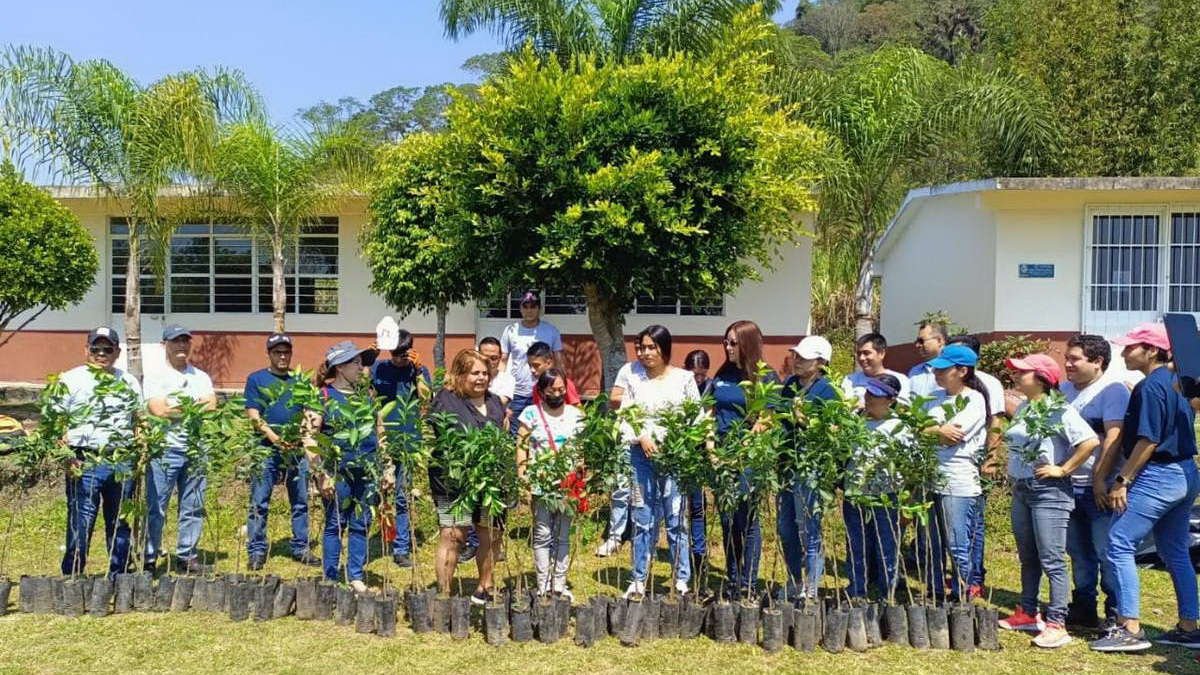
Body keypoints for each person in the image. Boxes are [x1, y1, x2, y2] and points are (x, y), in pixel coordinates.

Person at [1091, 323, 1200, 652]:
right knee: (1175, 549)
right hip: (1186, 472)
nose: (1124, 352)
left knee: (1119, 542)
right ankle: (1189, 627)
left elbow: (1149, 440)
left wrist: (1122, 480)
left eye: (1130, 347)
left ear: (1152, 350)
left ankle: (1130, 628)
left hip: (1158, 475)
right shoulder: (1180, 381)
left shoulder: (1150, 386)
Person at [997, 354, 1098, 649]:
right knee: (1028, 556)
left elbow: (1090, 441)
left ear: (1041, 378)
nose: (1016, 376)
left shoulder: (1059, 410)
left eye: (1023, 372)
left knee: (1052, 559)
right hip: (1022, 489)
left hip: (1049, 492)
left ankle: (1057, 623)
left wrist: (1063, 469)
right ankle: (1028, 612)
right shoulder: (1026, 407)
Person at [615, 325, 700, 599]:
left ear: (664, 348)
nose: (645, 353)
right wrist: (641, 437)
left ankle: (682, 578)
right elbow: (626, 416)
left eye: (652, 347)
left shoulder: (684, 379)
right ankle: (638, 578)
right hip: (640, 458)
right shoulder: (634, 379)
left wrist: (677, 443)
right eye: (641, 348)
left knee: (675, 518)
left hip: (673, 458)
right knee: (642, 517)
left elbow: (695, 418)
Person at [305, 341, 392, 593]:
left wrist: (387, 467)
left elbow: (380, 434)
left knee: (361, 523)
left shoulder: (368, 397)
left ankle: (355, 575)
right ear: (340, 367)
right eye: (356, 363)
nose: (361, 368)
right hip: (338, 472)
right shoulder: (322, 396)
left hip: (367, 471)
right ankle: (331, 577)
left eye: (361, 363)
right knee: (335, 523)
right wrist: (321, 474)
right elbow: (309, 438)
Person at [57, 326, 142, 576]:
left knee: (120, 520)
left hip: (121, 459)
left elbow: (138, 420)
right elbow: (57, 423)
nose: (102, 354)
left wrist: (140, 453)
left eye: (108, 349)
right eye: (96, 349)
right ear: (86, 350)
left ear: (118, 352)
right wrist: (66, 458)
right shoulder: (70, 380)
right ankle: (73, 573)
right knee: (81, 519)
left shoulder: (128, 381)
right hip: (83, 459)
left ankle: (119, 573)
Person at [427, 349, 508, 604]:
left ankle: (485, 586)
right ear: (460, 374)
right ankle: (444, 593)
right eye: (475, 373)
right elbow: (439, 438)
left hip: (490, 481)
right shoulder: (445, 400)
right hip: (454, 482)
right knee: (454, 536)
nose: (481, 378)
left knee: (490, 534)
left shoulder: (495, 402)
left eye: (485, 373)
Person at [1061, 334, 1129, 630]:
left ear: (1098, 361)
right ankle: (1084, 607)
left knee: (1106, 551)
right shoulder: (1064, 390)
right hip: (1068, 485)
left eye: (1074, 359)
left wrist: (1101, 479)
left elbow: (1115, 437)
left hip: (1099, 488)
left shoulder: (1112, 391)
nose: (1068, 364)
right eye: (1067, 358)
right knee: (1078, 551)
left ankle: (1116, 611)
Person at [711, 320, 779, 600]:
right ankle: (733, 578)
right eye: (725, 342)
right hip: (720, 456)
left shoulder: (765, 376)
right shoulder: (723, 373)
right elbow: (709, 411)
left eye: (733, 343)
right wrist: (711, 447)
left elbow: (767, 420)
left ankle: (749, 582)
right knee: (727, 519)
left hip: (748, 458)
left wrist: (740, 452)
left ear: (747, 343)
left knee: (747, 519)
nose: (727, 347)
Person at [143, 324, 216, 575]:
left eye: (185, 340)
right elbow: (158, 410)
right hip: (165, 450)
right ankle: (149, 557)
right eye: (176, 341)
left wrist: (175, 406)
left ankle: (187, 556)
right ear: (164, 345)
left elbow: (212, 406)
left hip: (196, 450)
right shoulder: (155, 376)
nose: (181, 345)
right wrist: (194, 405)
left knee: (193, 506)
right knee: (156, 506)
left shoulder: (201, 377)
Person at [918, 343, 988, 602]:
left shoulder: (974, 400)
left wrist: (930, 431)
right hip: (930, 476)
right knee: (932, 542)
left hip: (958, 481)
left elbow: (953, 436)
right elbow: (916, 430)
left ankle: (961, 595)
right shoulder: (933, 397)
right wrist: (936, 430)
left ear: (962, 371)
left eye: (943, 370)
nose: (937, 374)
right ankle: (935, 591)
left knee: (957, 543)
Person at [244, 333, 320, 571]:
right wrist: (274, 438)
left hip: (295, 450)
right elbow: (254, 415)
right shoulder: (257, 379)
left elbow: (309, 412)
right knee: (259, 501)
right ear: (269, 354)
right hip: (266, 449)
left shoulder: (300, 382)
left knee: (300, 501)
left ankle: (300, 547)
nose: (282, 356)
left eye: (286, 352)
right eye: (277, 352)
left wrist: (304, 432)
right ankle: (256, 550)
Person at [778, 335, 839, 600]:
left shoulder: (828, 392)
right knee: (786, 528)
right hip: (787, 466)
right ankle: (794, 580)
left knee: (808, 528)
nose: (798, 361)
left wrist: (804, 420)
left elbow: (832, 431)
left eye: (804, 358)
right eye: (797, 356)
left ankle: (812, 587)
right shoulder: (790, 385)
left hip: (811, 468)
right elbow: (779, 418)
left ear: (821, 363)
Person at [947, 334, 1007, 599]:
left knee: (973, 522)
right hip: (945, 466)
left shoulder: (987, 384)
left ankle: (974, 578)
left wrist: (991, 458)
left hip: (973, 462)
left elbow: (996, 421)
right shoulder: (942, 383)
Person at [516, 368, 584, 598]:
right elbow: (522, 447)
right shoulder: (530, 414)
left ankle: (559, 584)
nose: (557, 394)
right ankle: (543, 583)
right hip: (541, 484)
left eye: (561, 389)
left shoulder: (576, 415)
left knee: (563, 535)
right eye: (551, 390)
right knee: (543, 534)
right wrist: (523, 476)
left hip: (568, 484)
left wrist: (582, 477)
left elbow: (582, 450)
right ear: (541, 390)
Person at [370, 329, 431, 569]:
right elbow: (362, 389)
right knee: (376, 492)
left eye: (403, 353)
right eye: (394, 353)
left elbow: (426, 398)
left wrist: (419, 371)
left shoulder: (418, 370)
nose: (398, 358)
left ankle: (401, 547)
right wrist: (368, 359)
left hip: (408, 441)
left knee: (403, 495)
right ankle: (378, 537)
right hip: (381, 439)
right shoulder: (379, 368)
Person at [843, 374, 905, 601]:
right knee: (855, 543)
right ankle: (856, 589)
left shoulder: (899, 427)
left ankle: (887, 592)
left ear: (890, 400)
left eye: (876, 395)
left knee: (886, 544)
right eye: (868, 393)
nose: (869, 398)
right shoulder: (855, 421)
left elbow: (908, 465)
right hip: (855, 493)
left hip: (886, 495)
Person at [500, 290, 564, 434]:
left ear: (539, 308)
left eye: (533, 306)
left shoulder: (551, 331)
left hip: (544, 391)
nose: (529, 310)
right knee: (514, 434)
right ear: (520, 308)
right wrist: (500, 388)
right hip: (516, 393)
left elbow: (559, 362)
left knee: (543, 432)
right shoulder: (510, 330)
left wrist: (560, 386)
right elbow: (503, 361)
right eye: (525, 306)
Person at [682, 349, 712, 577]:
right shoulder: (680, 387)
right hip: (682, 452)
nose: (698, 378)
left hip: (702, 453)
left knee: (698, 505)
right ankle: (682, 553)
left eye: (702, 373)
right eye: (694, 374)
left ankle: (699, 553)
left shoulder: (711, 388)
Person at [841, 332, 910, 404]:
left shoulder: (900, 379)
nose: (861, 358)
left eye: (866, 353)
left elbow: (902, 407)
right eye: (859, 354)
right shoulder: (850, 380)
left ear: (881, 353)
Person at [527, 341, 581, 406]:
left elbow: (577, 407)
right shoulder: (536, 388)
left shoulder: (564, 384)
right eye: (530, 365)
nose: (532, 370)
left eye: (536, 365)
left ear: (549, 363)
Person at [909, 320, 949, 397]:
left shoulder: (953, 370)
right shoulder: (914, 372)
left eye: (921, 341)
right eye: (917, 341)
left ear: (939, 341)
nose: (917, 345)